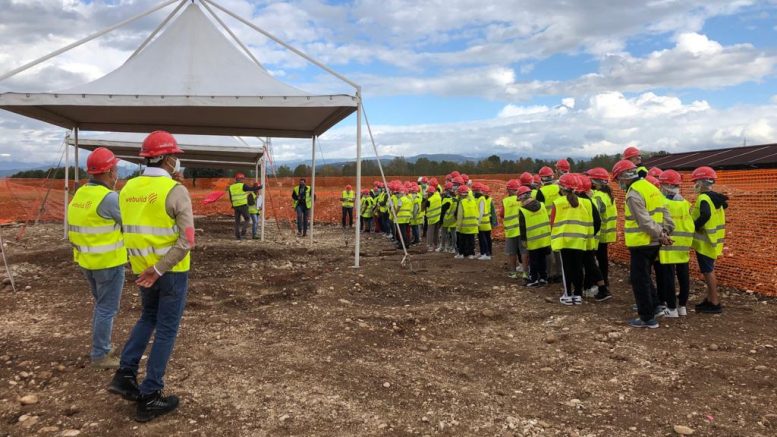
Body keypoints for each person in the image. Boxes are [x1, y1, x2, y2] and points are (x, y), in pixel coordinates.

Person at [109, 131, 194, 422]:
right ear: (168, 159)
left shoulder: (128, 188)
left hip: (141, 269)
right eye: (175, 156)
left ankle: (125, 374)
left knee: (148, 317)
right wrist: (159, 269)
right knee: (167, 329)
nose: (176, 161)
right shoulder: (175, 190)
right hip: (169, 272)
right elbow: (187, 240)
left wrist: (149, 269)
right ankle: (150, 394)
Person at [67, 147, 127, 369]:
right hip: (108, 262)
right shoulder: (109, 198)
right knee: (106, 308)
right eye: (115, 169)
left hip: (87, 261)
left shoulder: (81, 194)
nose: (116, 173)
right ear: (109, 171)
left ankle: (101, 346)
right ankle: (100, 354)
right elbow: (129, 223)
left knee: (101, 305)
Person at [612, 159, 674, 329]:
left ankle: (647, 317)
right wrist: (665, 231)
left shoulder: (633, 193)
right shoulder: (651, 187)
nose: (618, 183)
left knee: (639, 279)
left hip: (642, 242)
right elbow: (665, 211)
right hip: (654, 241)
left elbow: (644, 221)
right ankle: (655, 307)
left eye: (618, 179)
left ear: (624, 177)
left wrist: (661, 234)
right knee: (645, 277)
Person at [691, 166, 728, 314]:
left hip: (705, 242)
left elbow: (705, 215)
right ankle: (710, 298)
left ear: (702, 182)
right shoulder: (715, 197)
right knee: (708, 269)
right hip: (713, 241)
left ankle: (714, 302)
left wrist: (694, 226)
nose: (695, 185)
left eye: (696, 182)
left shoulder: (704, 198)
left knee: (708, 271)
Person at [550, 174, 592, 305]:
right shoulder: (586, 203)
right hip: (580, 240)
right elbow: (590, 223)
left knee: (566, 269)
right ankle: (578, 295)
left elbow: (552, 223)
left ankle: (567, 295)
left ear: (562, 188)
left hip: (564, 241)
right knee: (578, 268)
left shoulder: (558, 203)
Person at [657, 170, 693, 317]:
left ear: (664, 185)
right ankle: (682, 306)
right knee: (683, 275)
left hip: (669, 243)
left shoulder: (662, 202)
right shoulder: (685, 203)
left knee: (668, 277)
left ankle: (671, 308)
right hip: (684, 243)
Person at [576, 174, 611, 301]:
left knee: (589, 264)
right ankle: (599, 287)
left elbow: (595, 220)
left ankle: (592, 288)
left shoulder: (586, 200)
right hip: (593, 237)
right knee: (591, 263)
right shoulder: (596, 197)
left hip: (587, 238)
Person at [587, 168, 617, 291]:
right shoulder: (608, 194)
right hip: (606, 233)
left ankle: (598, 283)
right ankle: (605, 280)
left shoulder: (598, 196)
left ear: (595, 181)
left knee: (593, 260)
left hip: (599, 234)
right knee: (603, 259)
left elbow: (595, 214)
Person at [516, 186, 551, 287]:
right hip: (544, 238)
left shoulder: (522, 210)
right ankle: (543, 278)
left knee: (533, 260)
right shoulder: (542, 205)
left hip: (532, 240)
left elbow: (522, 227)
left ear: (522, 198)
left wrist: (523, 240)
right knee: (542, 259)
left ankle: (534, 279)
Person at [228, 173, 261, 240]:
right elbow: (251, 189)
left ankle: (238, 236)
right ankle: (243, 231)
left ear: (236, 179)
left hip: (236, 206)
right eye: (243, 179)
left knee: (237, 222)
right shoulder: (242, 185)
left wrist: (233, 205)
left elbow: (231, 198)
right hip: (243, 205)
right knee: (247, 218)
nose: (243, 180)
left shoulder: (231, 187)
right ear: (241, 179)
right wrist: (260, 187)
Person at [502, 179, 522, 278]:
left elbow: (502, 214)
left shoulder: (506, 201)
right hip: (522, 230)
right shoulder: (522, 199)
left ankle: (513, 272)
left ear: (509, 190)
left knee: (512, 252)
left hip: (511, 230)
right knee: (524, 252)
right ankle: (525, 271)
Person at [455, 185, 479, 259]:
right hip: (473, 225)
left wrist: (458, 227)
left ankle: (461, 254)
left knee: (462, 240)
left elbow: (460, 216)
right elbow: (477, 212)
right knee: (471, 240)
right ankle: (471, 254)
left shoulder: (462, 202)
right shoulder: (473, 201)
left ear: (461, 194)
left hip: (464, 225)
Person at [474, 183, 493, 260]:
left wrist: (478, 222)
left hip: (483, 223)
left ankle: (486, 254)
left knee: (483, 238)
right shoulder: (482, 198)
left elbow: (481, 212)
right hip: (485, 222)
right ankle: (484, 253)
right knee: (485, 238)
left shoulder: (481, 199)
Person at [440, 182, 458, 253]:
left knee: (444, 232)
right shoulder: (455, 198)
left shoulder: (446, 199)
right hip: (453, 219)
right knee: (453, 233)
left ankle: (443, 247)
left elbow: (443, 211)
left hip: (446, 219)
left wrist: (441, 220)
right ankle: (453, 247)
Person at [425, 185, 442, 251]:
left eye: (428, 192)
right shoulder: (438, 197)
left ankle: (430, 245)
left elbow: (423, 208)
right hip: (438, 217)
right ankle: (436, 245)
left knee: (430, 233)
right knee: (436, 232)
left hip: (431, 218)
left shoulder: (429, 200)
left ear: (430, 193)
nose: (427, 193)